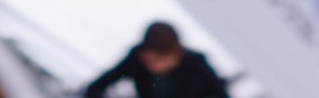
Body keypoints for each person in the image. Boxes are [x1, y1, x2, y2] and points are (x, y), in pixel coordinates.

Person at [82, 22, 229, 98]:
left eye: (161, 60)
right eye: (149, 60)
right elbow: (96, 88)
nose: (154, 66)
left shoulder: (196, 65)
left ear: (176, 54)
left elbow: (220, 94)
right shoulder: (136, 60)